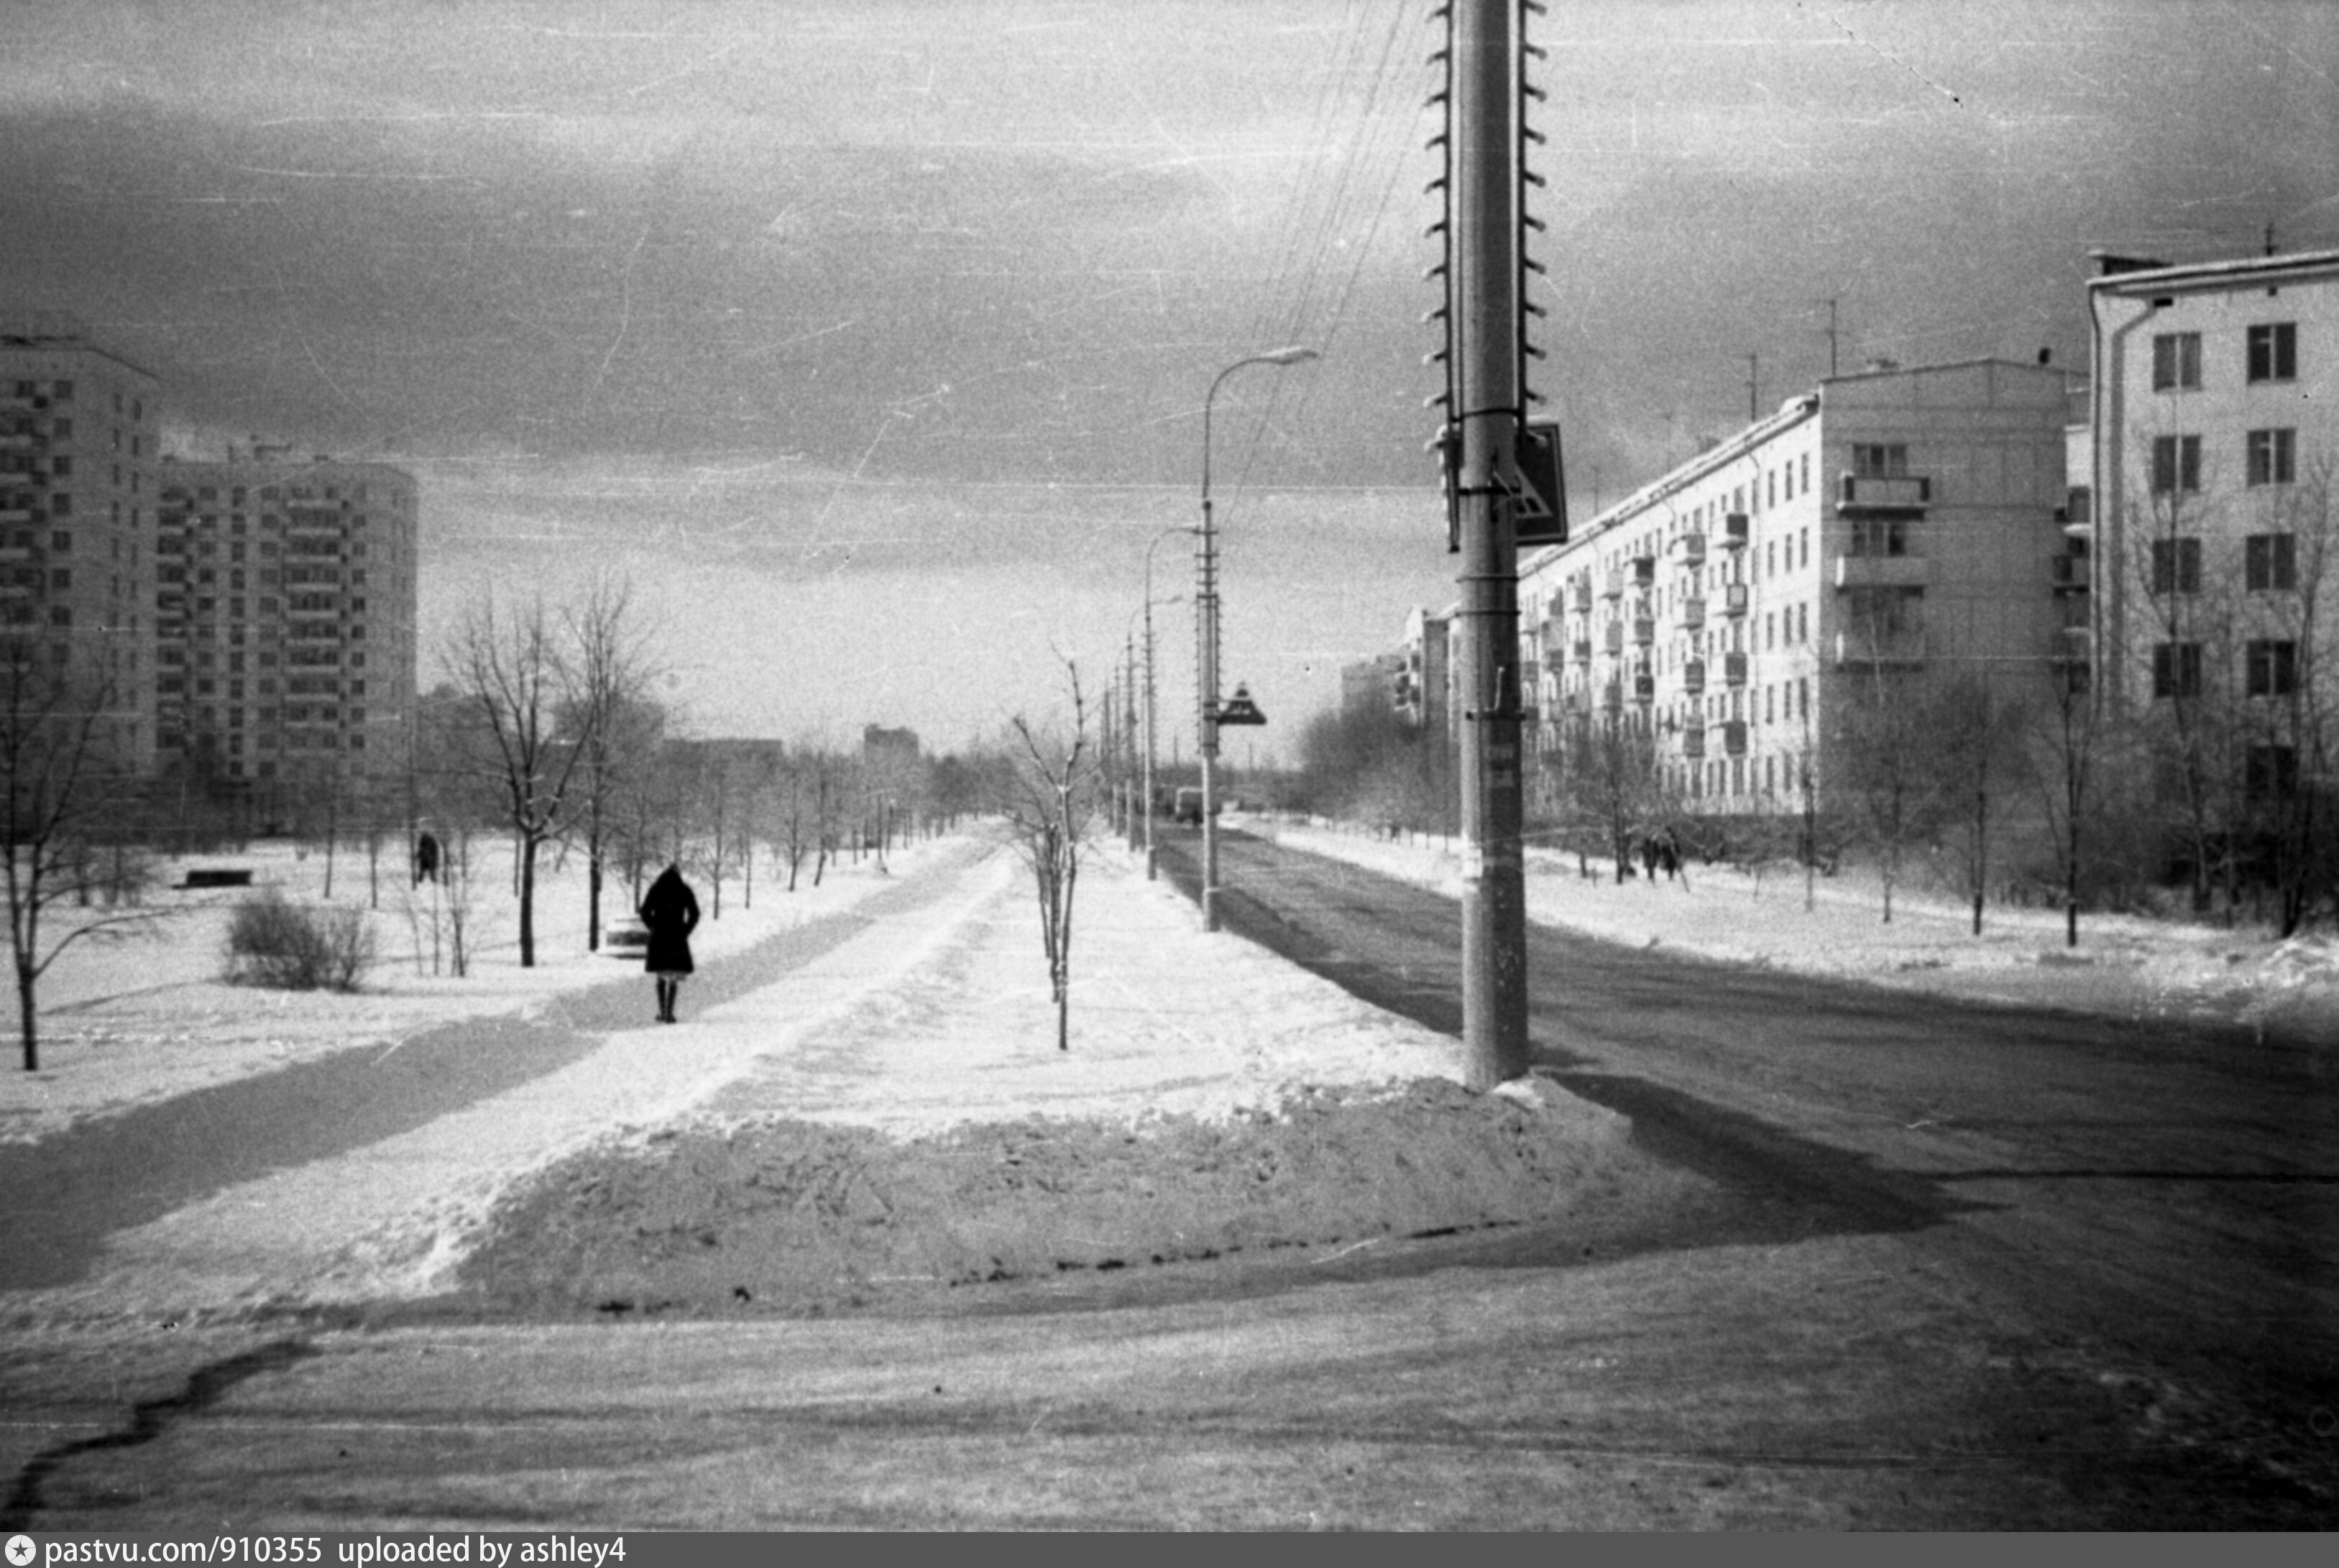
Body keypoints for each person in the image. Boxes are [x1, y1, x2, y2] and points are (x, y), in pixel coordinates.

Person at [637, 862, 701, 1024]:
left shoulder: (656, 888)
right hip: (677, 935)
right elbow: (695, 913)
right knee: (673, 975)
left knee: (660, 975)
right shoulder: (684, 889)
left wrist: (653, 926)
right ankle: (669, 1013)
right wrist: (686, 930)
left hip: (659, 936)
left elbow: (644, 911)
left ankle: (661, 1011)